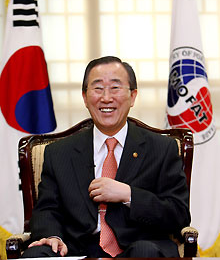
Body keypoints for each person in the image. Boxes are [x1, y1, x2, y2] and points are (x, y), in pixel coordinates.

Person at [21, 56, 191, 258]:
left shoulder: (162, 149)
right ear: (85, 97)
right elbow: (47, 210)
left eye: (115, 88)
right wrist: (53, 236)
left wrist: (129, 195)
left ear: (133, 96)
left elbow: (178, 213)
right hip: (77, 250)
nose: (106, 98)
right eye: (98, 88)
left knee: (144, 252)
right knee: (37, 254)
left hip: (140, 248)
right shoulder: (59, 153)